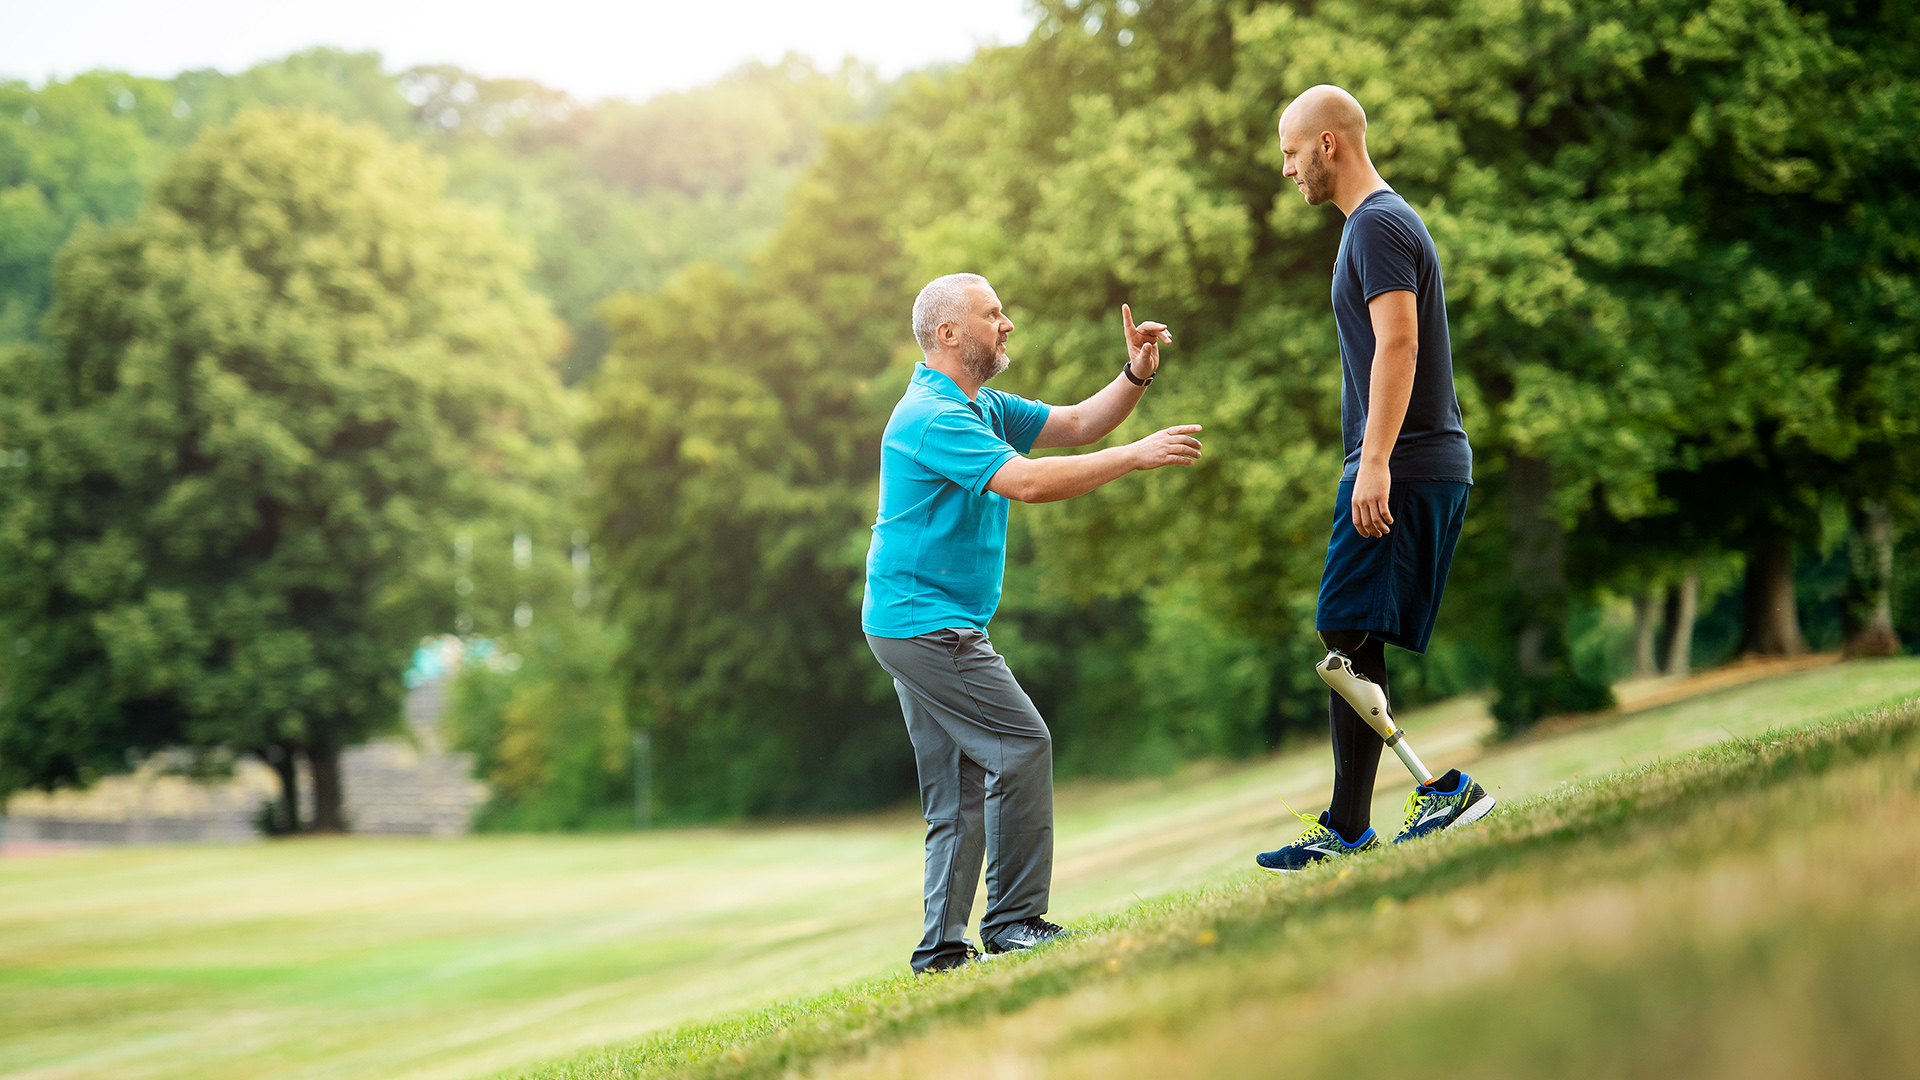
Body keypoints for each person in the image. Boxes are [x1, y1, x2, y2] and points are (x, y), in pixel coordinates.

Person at [865, 273, 1203, 972]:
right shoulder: (933, 416)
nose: (1008, 323)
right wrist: (1136, 456)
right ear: (949, 333)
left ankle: (941, 952)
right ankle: (1014, 921)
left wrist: (1135, 374)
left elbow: (1077, 424)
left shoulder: (980, 406)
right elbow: (1026, 481)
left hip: (910, 621)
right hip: (927, 623)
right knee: (1020, 744)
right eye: (993, 314)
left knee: (960, 787)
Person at [1255, 85, 1495, 875]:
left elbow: (1400, 344)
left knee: (1343, 629)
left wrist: (1376, 460)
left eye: (1291, 152)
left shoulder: (1378, 225)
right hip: (1405, 458)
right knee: (1348, 629)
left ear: (1327, 144)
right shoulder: (1371, 226)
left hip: (1406, 460)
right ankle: (1352, 824)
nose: (1286, 169)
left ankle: (1425, 799)